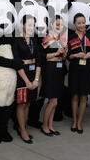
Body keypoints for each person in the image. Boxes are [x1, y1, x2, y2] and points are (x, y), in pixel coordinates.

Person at [12, 15, 42, 144]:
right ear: (23, 25)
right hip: (22, 76)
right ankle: (22, 130)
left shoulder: (35, 40)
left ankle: (23, 126)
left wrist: (35, 80)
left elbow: (39, 60)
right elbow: (17, 62)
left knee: (28, 103)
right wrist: (27, 82)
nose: (31, 27)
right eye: (29, 25)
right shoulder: (17, 40)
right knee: (22, 103)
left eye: (33, 25)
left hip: (33, 75)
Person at [67, 13, 90, 133]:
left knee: (84, 96)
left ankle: (79, 122)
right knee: (74, 96)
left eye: (83, 22)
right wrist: (75, 55)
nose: (82, 25)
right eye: (79, 23)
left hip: (87, 69)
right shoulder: (70, 37)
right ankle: (74, 120)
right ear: (74, 24)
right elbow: (67, 56)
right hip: (74, 69)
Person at [40, 15, 68, 137]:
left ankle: (50, 125)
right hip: (50, 70)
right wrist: (57, 52)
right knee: (52, 101)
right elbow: (43, 57)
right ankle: (45, 126)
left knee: (55, 101)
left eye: (61, 25)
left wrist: (65, 53)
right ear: (51, 25)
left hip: (59, 69)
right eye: (57, 24)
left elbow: (63, 58)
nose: (59, 27)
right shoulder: (48, 38)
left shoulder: (61, 39)